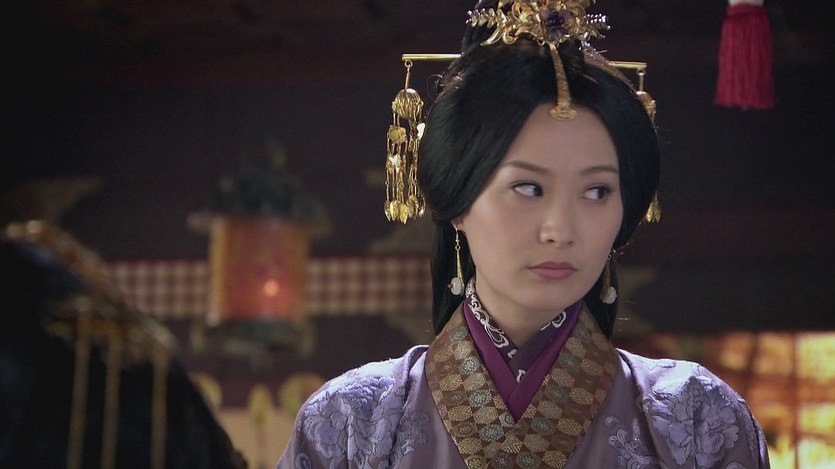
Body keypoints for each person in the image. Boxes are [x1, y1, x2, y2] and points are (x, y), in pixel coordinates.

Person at [277, 0, 770, 467]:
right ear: (458, 203)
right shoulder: (349, 422)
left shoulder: (697, 420)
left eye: (597, 191)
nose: (561, 230)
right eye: (528, 188)